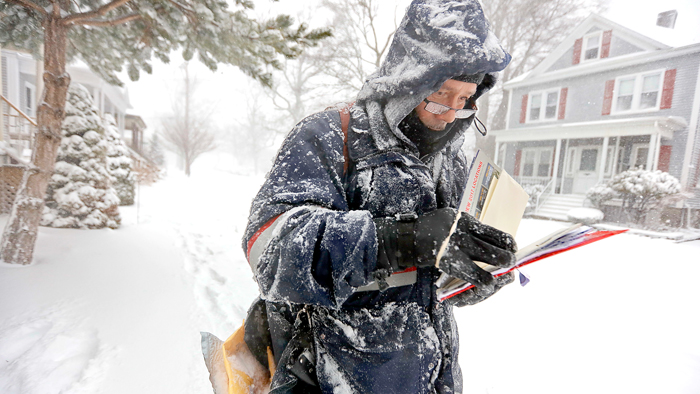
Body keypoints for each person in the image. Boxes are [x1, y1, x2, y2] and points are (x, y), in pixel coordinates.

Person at [242, 0, 516, 392]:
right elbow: (268, 248)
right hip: (327, 377)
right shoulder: (329, 136)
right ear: (408, 82)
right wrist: (401, 239)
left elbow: (430, 279)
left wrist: (471, 274)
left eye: (466, 99)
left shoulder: (452, 161)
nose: (450, 113)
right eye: (441, 93)